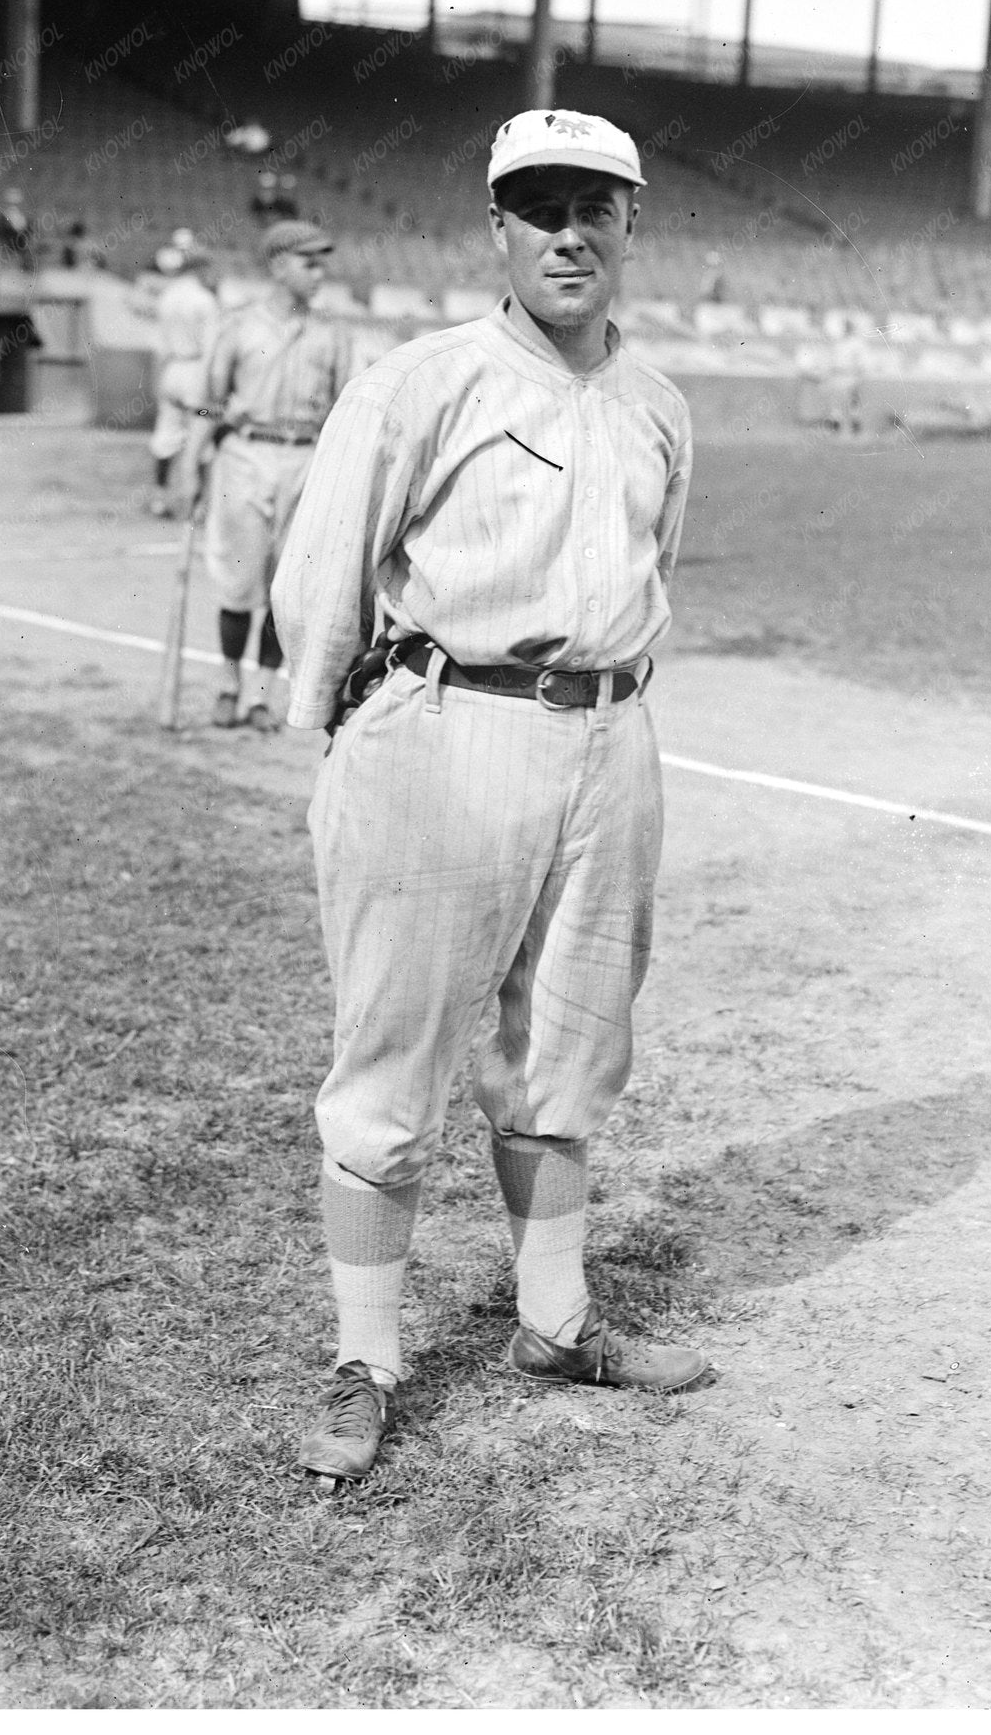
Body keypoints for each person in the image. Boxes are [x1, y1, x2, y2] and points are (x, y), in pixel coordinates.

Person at [272, 108, 709, 1488]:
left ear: (632, 223)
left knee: (565, 1053)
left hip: (607, 740)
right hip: (445, 724)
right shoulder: (422, 381)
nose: (568, 232)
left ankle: (554, 1320)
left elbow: (657, 574)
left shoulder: (656, 404)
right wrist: (338, 742)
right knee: (392, 1062)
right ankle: (365, 1360)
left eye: (596, 205)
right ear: (497, 230)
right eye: (539, 208)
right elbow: (322, 571)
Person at [192, 219, 346, 730]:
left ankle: (260, 697)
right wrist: (199, 458)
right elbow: (207, 406)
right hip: (246, 458)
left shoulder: (333, 331)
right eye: (309, 262)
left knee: (288, 588)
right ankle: (228, 686)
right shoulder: (238, 326)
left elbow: (344, 412)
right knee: (239, 586)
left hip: (305, 460)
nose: (319, 273)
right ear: (279, 267)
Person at [148, 237, 219, 518]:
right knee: (201, 433)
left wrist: (157, 381)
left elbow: (159, 346)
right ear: (198, 267)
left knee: (166, 432)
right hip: (195, 370)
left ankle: (159, 498)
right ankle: (198, 504)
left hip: (172, 371)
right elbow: (212, 349)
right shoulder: (204, 299)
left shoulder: (167, 296)